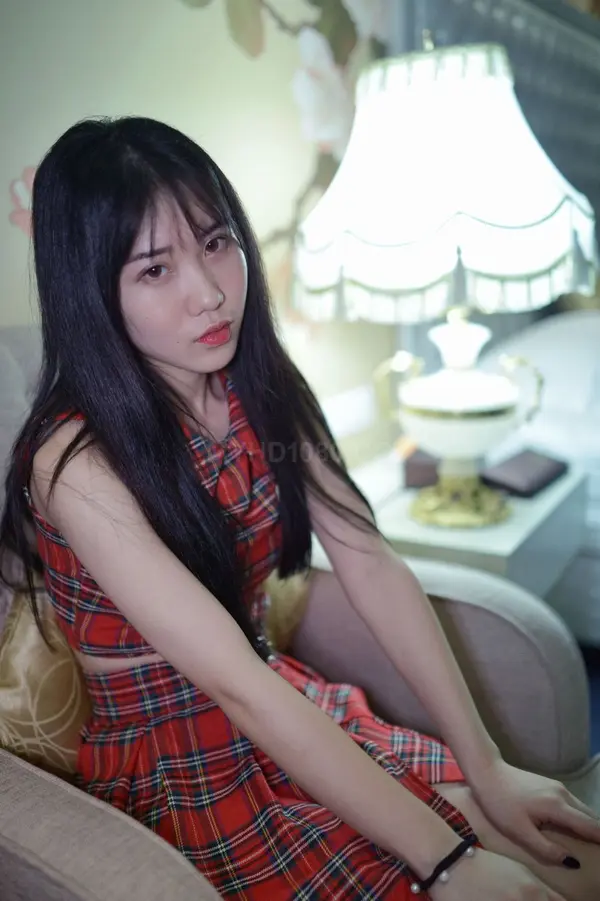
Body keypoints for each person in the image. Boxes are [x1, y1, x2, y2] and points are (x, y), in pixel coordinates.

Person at [1, 117, 599, 901]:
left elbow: (370, 560)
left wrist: (486, 767)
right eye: (155, 269)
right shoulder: (75, 462)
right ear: (91, 289)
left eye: (216, 241)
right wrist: (446, 862)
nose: (210, 291)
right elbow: (234, 686)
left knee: (568, 860)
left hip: (288, 704)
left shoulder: (255, 385)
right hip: (184, 767)